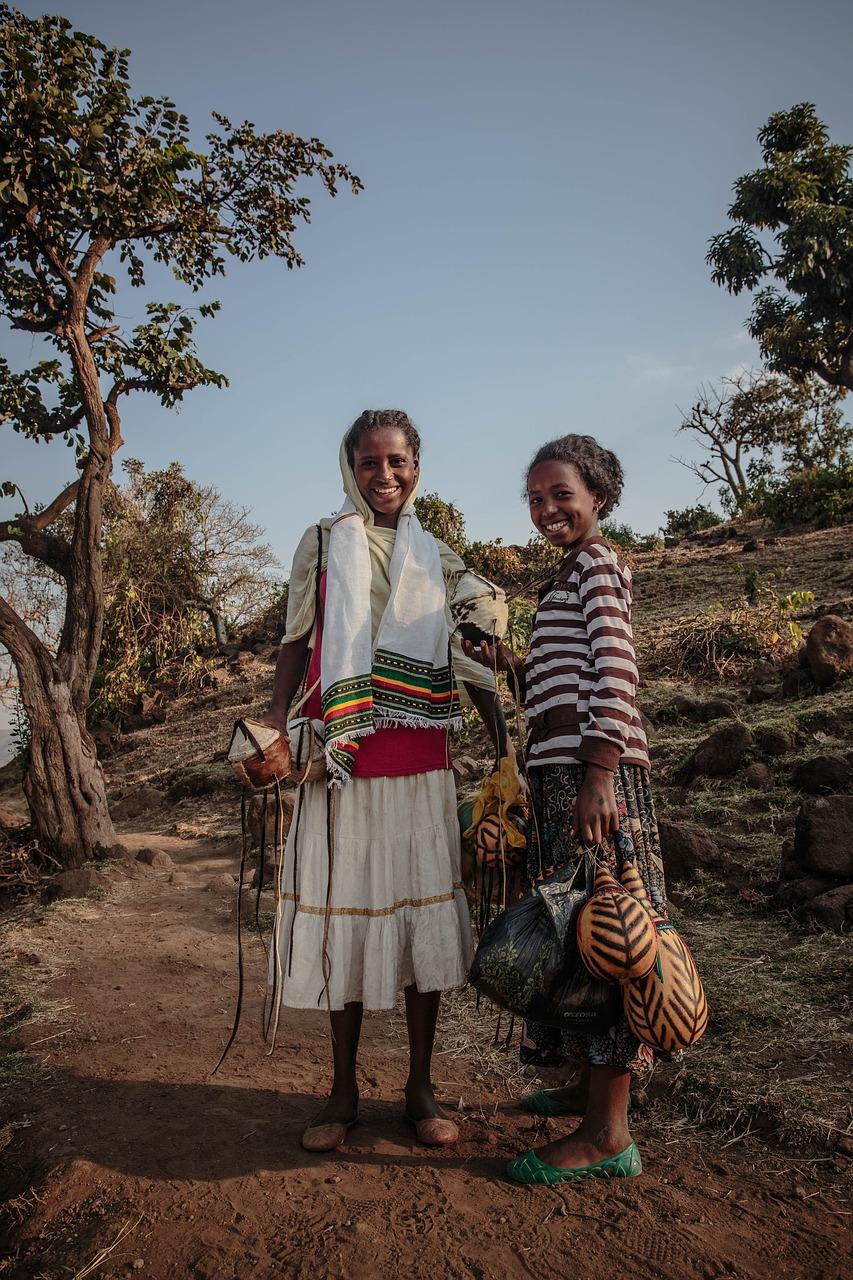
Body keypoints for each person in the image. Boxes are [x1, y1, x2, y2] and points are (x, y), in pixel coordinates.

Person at [258, 409, 509, 1153]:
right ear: (350, 468)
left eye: (397, 461)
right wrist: (274, 722)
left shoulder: (442, 557)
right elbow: (296, 637)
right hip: (339, 764)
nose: (385, 475)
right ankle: (341, 1092)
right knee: (345, 922)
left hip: (418, 763)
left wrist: (505, 754)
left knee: (415, 924)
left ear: (417, 466)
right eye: (369, 462)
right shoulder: (323, 544)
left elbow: (472, 658)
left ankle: (419, 1087)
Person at [464, 433, 665, 1185]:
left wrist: (600, 775)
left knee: (613, 939)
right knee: (576, 938)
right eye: (536, 498)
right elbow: (562, 686)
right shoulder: (564, 578)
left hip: (589, 779)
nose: (547, 509)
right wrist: (508, 665)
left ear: (598, 500)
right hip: (561, 777)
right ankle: (586, 1090)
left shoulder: (596, 566)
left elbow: (616, 671)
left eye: (562, 496)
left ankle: (608, 1134)